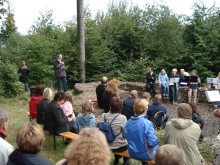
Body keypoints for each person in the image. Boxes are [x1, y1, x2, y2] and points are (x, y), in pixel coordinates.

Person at [125, 99, 159, 164]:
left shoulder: (128, 122)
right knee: (159, 148)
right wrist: (156, 141)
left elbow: (126, 136)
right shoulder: (147, 123)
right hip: (145, 154)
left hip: (131, 152)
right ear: (146, 109)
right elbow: (152, 142)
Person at [99, 97, 130, 165]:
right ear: (121, 107)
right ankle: (126, 161)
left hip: (106, 144)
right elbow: (125, 134)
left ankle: (117, 159)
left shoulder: (103, 115)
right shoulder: (123, 118)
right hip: (119, 147)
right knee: (126, 143)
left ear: (110, 106)